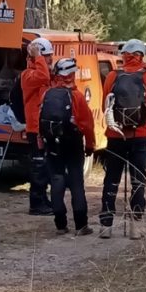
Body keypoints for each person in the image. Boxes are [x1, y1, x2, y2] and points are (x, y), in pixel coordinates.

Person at [99, 39, 146, 239]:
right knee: (138, 181)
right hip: (140, 136)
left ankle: (106, 226)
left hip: (115, 136)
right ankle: (136, 227)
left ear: (124, 55)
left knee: (111, 179)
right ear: (141, 56)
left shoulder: (112, 76)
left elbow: (105, 106)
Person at [39, 58, 96, 236]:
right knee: (76, 183)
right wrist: (91, 145)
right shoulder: (77, 96)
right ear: (72, 75)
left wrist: (42, 141)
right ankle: (81, 225)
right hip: (73, 143)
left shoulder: (47, 94)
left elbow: (40, 118)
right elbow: (87, 124)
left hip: (52, 144)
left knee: (57, 181)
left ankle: (60, 225)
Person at [21, 38, 55, 215]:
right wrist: (38, 58)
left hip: (45, 127)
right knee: (38, 166)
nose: (50, 59)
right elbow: (43, 76)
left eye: (50, 56)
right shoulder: (28, 75)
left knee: (45, 167)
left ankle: (43, 199)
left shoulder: (45, 73)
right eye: (47, 56)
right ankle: (36, 203)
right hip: (35, 129)